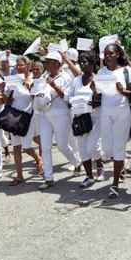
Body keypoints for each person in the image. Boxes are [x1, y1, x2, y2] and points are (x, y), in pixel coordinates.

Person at [36, 51, 82, 190]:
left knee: (62, 145)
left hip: (61, 114)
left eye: (49, 62)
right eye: (46, 62)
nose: (46, 64)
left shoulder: (66, 77)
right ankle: (49, 178)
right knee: (45, 146)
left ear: (57, 63)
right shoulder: (44, 76)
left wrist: (54, 85)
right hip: (44, 114)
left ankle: (76, 162)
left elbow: (67, 97)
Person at [96, 43, 131, 198]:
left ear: (118, 54)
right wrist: (94, 89)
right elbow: (98, 96)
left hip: (122, 113)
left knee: (118, 148)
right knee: (107, 149)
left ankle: (115, 184)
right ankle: (121, 164)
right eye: (105, 54)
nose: (108, 56)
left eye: (111, 53)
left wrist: (123, 91)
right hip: (106, 113)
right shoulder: (101, 72)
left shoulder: (127, 71)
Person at [0, 56, 43, 186]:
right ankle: (19, 176)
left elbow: (39, 97)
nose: (18, 68)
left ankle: (38, 159)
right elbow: (8, 101)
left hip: (28, 117)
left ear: (27, 66)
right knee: (16, 147)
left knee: (27, 146)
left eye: (21, 65)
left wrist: (30, 87)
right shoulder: (13, 80)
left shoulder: (34, 80)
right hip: (14, 117)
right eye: (16, 65)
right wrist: (3, 91)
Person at [70, 52, 105, 187]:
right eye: (80, 62)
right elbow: (71, 96)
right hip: (80, 118)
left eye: (85, 62)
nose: (82, 64)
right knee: (83, 149)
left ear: (92, 64)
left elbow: (103, 98)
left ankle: (100, 164)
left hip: (96, 117)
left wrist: (96, 101)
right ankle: (89, 176)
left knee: (92, 147)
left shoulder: (98, 79)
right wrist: (71, 103)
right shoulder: (76, 81)